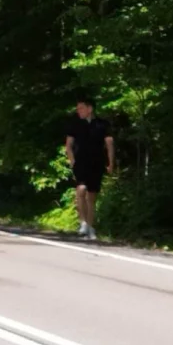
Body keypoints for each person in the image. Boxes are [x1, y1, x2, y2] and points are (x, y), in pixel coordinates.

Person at [65, 96, 115, 240]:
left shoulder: (102, 124)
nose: (78, 111)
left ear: (90, 108)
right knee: (81, 190)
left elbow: (109, 144)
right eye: (77, 108)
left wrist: (111, 163)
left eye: (81, 108)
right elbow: (68, 145)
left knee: (92, 196)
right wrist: (72, 161)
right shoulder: (74, 124)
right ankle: (83, 223)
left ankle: (90, 226)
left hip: (97, 163)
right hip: (80, 162)